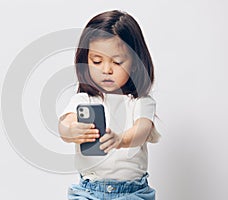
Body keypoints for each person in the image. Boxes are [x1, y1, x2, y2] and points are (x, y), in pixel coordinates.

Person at [58, 10, 161, 200]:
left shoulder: (141, 102)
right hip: (88, 191)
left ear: (136, 64)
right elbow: (66, 123)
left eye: (117, 62)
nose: (106, 70)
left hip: (134, 192)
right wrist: (71, 131)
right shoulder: (84, 99)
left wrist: (121, 140)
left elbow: (142, 130)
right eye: (97, 61)